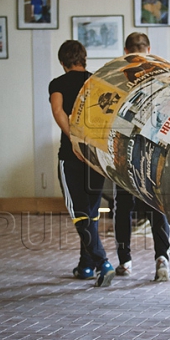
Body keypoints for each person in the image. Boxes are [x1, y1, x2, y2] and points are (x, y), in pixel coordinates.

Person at [49, 40, 115, 287]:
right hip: (95, 157)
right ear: (84, 58)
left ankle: (101, 262)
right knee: (91, 213)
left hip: (71, 157)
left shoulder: (58, 84)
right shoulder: (95, 82)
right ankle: (86, 265)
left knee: (79, 214)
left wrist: (74, 140)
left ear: (62, 62)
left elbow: (58, 112)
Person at [113, 32, 170, 282]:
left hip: (124, 151)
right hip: (152, 149)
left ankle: (125, 262)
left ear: (125, 50)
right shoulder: (164, 75)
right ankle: (162, 259)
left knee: (122, 208)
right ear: (148, 48)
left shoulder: (118, 77)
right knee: (158, 205)